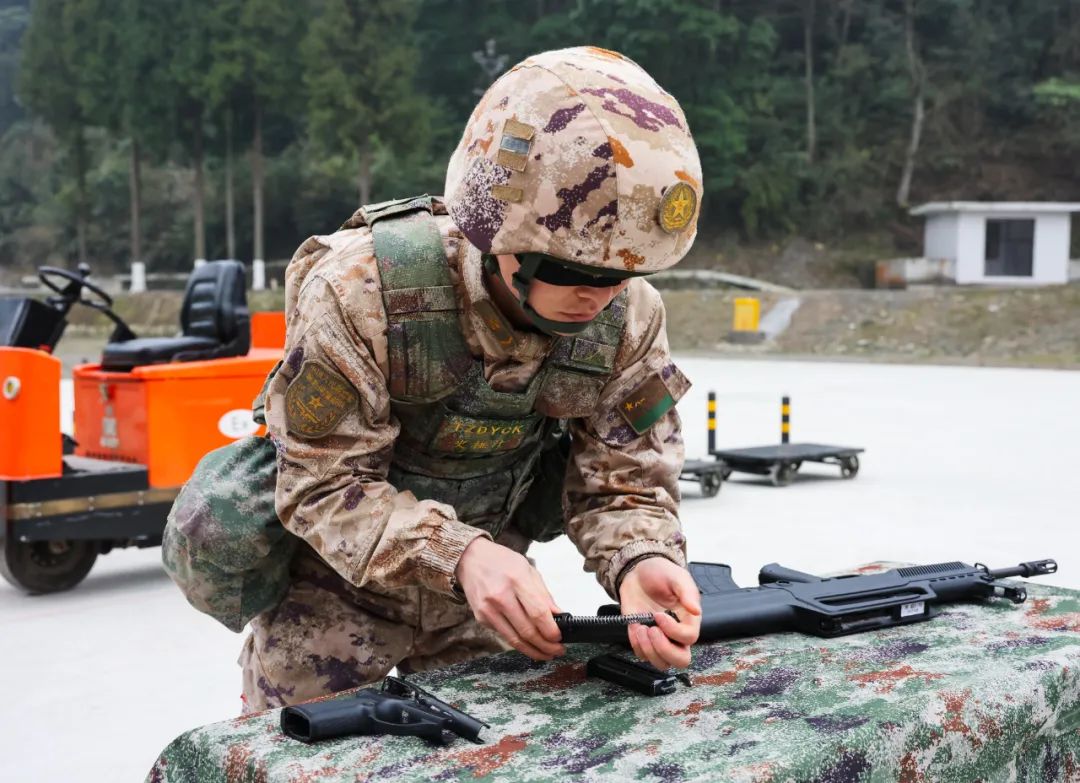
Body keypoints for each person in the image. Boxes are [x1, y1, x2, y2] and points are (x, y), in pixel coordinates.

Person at [239, 46, 704, 713]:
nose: (600, 298)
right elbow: (321, 484)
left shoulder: (627, 317)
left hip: (495, 603)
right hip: (333, 603)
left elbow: (626, 481)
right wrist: (459, 555)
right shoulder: (363, 291)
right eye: (575, 271)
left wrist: (642, 559)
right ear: (497, 232)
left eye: (623, 276)